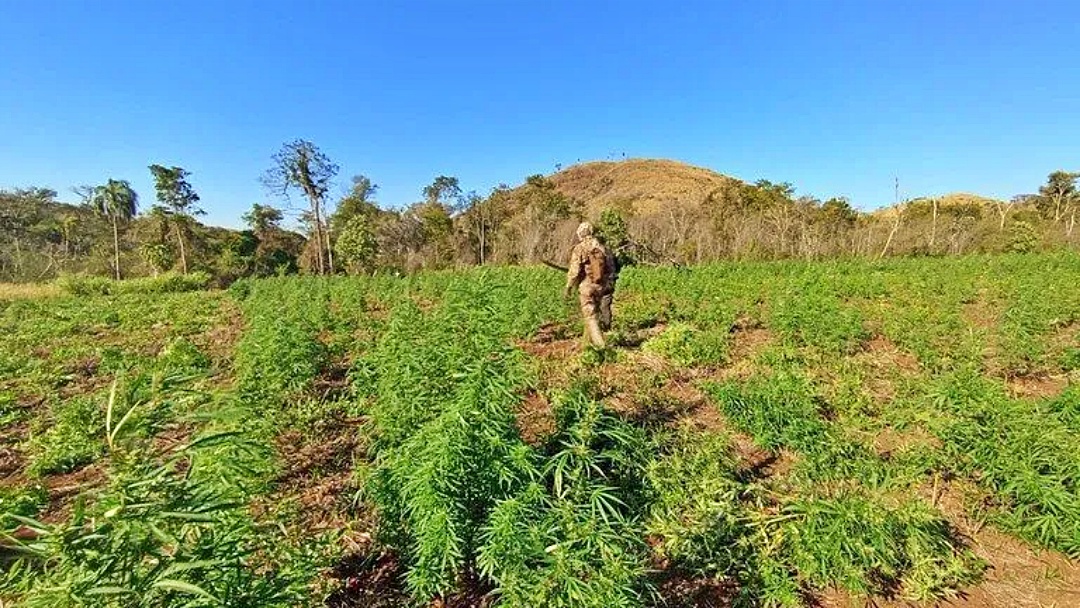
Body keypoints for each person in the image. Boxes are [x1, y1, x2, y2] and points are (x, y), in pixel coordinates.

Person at [564, 221, 616, 348]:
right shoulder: (602, 247)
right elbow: (611, 268)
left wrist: (568, 286)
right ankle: (587, 343)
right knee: (595, 312)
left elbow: (575, 271)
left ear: (580, 233)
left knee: (590, 316)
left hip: (587, 286)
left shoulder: (580, 248)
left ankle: (600, 347)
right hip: (602, 285)